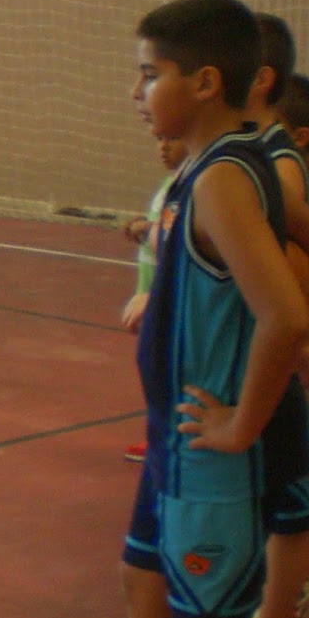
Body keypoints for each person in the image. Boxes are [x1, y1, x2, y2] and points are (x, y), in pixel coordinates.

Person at [56, 0, 309, 618]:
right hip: (173, 440)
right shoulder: (204, 171)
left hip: (211, 453)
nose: (137, 93)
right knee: (143, 581)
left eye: (149, 75)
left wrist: (243, 423)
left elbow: (284, 315)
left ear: (205, 82)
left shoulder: (229, 178)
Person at [252, 70, 309, 618]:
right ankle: (285, 594)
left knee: (296, 496)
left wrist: (303, 326)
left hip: (306, 375)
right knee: (284, 492)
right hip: (288, 364)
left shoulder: (292, 189)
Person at [120, 135, 188, 462]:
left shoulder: (194, 187)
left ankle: (167, 439)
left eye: (172, 139)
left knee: (167, 369)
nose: (163, 146)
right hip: (153, 292)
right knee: (152, 364)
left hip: (166, 297)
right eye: (159, 140)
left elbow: (175, 241)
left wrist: (145, 229)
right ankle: (160, 434)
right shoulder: (169, 185)